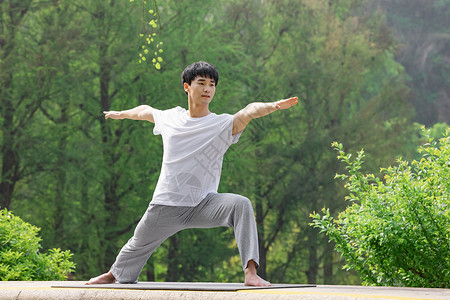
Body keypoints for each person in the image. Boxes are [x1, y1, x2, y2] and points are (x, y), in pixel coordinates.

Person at [86, 61, 298, 286]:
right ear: (187, 87)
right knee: (132, 251)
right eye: (202, 83)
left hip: (203, 204)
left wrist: (272, 106)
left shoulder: (222, 124)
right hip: (166, 205)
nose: (208, 89)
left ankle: (250, 273)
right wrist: (122, 113)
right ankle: (113, 274)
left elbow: (248, 112)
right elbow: (145, 111)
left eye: (212, 84)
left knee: (241, 204)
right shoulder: (171, 118)